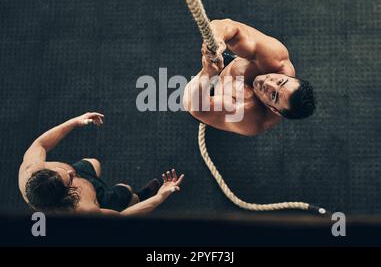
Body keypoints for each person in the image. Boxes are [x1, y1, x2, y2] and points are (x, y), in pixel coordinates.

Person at [18, 112, 184, 216]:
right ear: (64, 196)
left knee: (93, 163)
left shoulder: (30, 170)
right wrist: (159, 198)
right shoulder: (84, 210)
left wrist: (75, 121)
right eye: (68, 180)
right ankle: (141, 195)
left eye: (58, 171)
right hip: (100, 199)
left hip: (84, 179)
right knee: (127, 192)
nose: (70, 173)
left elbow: (40, 144)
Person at [183, 19, 316, 136]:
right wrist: (217, 40)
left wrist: (207, 73)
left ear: (273, 109)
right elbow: (227, 26)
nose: (269, 84)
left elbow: (195, 108)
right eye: (280, 81)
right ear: (288, 76)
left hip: (211, 98)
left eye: (273, 96)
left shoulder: (250, 117)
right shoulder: (275, 58)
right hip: (229, 66)